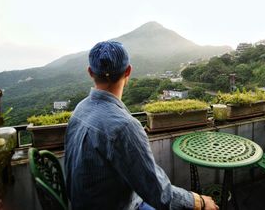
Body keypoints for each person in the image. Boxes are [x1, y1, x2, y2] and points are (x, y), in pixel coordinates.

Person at [64, 41, 219, 210]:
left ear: (90, 72)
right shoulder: (124, 126)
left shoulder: (79, 109)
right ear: (128, 71)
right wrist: (199, 202)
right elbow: (158, 193)